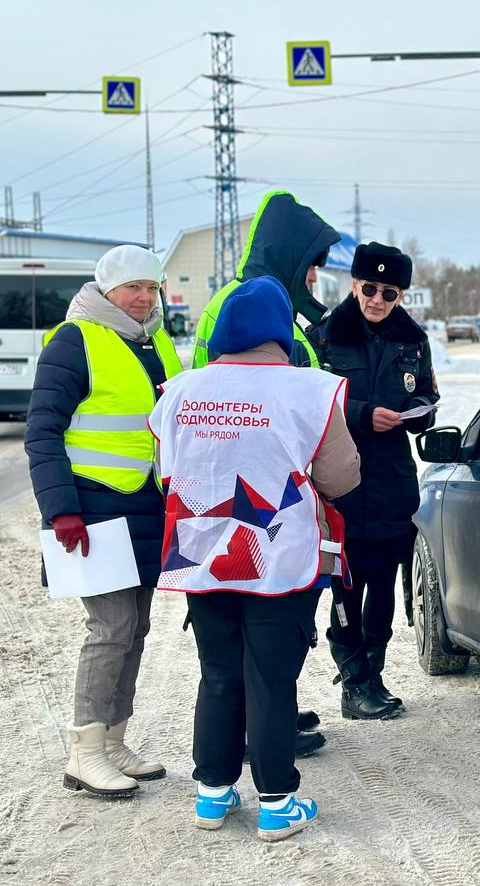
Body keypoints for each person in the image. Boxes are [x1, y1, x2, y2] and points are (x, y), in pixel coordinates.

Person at [149, 276, 361, 841]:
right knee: (271, 678)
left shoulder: (178, 391)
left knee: (218, 674)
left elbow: (165, 473)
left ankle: (213, 795)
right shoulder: (311, 390)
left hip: (202, 556)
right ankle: (276, 802)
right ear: (280, 331)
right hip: (276, 559)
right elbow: (340, 478)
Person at [25, 244, 182, 798]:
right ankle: (85, 752)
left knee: (135, 629)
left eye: (151, 288)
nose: (143, 298)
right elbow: (42, 432)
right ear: (107, 290)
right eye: (133, 288)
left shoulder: (158, 343)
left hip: (145, 506)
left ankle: (115, 740)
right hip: (90, 512)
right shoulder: (75, 340)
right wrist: (61, 510)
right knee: (111, 628)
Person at [193, 187, 340, 756]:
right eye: (311, 269)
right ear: (289, 257)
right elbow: (236, 399)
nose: (314, 282)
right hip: (254, 491)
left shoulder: (275, 303)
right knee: (260, 621)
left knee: (269, 627)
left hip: (272, 487)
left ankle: (271, 714)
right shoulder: (240, 303)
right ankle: (265, 731)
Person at [311, 242, 438, 719]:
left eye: (389, 292)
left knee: (383, 584)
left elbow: (426, 392)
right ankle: (352, 681)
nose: (378, 300)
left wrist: (417, 415)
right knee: (346, 584)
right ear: (354, 285)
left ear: (400, 295)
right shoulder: (326, 335)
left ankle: (374, 674)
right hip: (341, 481)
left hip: (391, 479)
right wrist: (364, 415)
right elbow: (312, 399)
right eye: (370, 289)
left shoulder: (414, 340)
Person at [193, 189, 339, 369]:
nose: (314, 278)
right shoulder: (250, 311)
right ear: (288, 261)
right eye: (310, 267)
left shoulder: (233, 304)